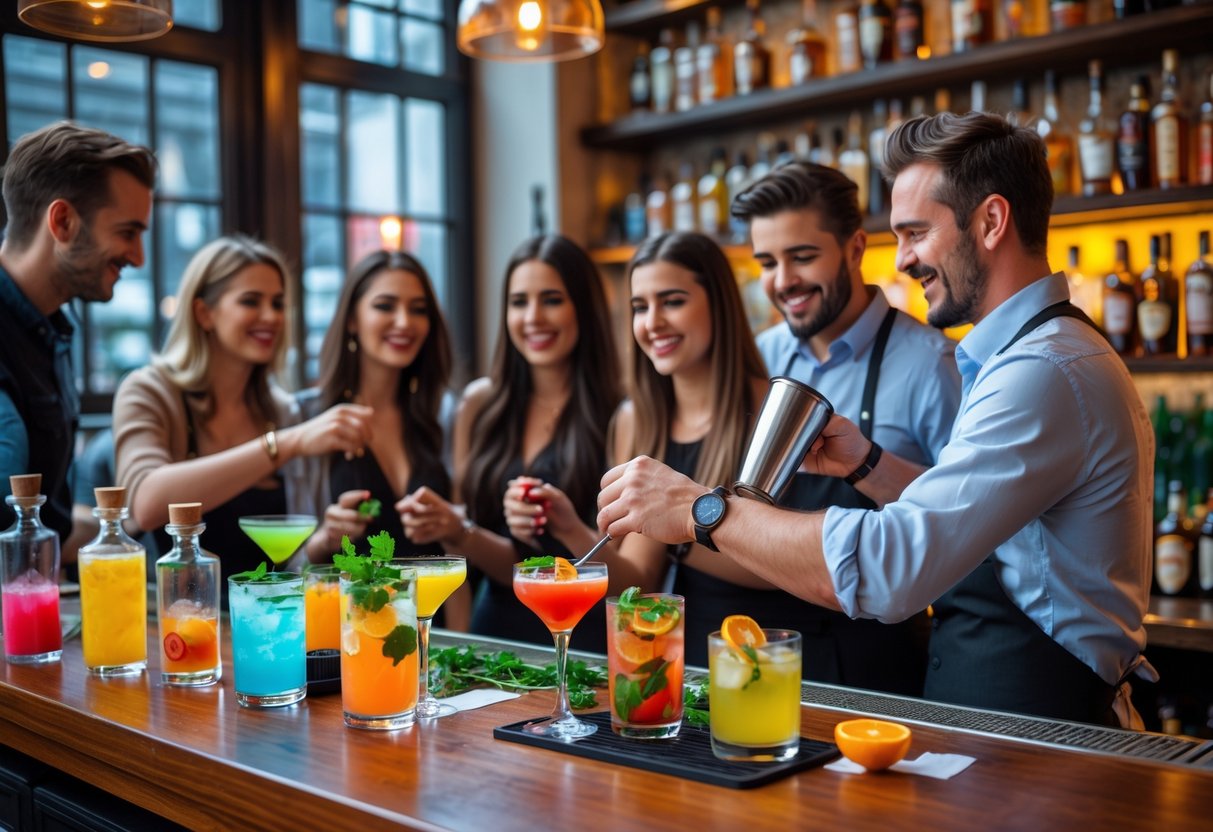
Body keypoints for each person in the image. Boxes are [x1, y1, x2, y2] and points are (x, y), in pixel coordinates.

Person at [598, 111, 1156, 728]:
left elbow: (891, 568)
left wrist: (701, 510)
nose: (904, 261)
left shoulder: (1042, 371)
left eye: (916, 233)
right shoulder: (1025, 356)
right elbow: (975, 522)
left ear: (992, 221)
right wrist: (867, 463)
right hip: (995, 709)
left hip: (1041, 721)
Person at [728, 162, 962, 695]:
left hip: (877, 665)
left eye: (802, 256)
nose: (782, 281)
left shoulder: (933, 365)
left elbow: (966, 526)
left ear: (855, 249)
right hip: (764, 653)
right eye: (767, 261)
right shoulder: (759, 360)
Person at [113, 235, 374, 594]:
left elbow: (294, 566)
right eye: (251, 301)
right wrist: (285, 444)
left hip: (268, 624)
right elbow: (145, 505)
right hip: (182, 625)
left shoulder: (281, 410)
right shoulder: (151, 391)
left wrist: (326, 537)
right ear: (204, 313)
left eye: (278, 303)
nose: (271, 316)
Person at [399, 234, 622, 651]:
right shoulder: (479, 405)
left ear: (584, 309)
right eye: (519, 301)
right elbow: (504, 565)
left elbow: (629, 575)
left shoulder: (620, 413)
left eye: (552, 299)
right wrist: (456, 529)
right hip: (494, 637)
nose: (533, 317)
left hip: (583, 639)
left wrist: (568, 525)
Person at [605, 231, 771, 666]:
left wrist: (678, 527)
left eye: (672, 301)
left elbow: (781, 565)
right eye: (640, 307)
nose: (652, 322)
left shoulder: (769, 410)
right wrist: (565, 527)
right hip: (674, 661)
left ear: (718, 304)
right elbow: (636, 579)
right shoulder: (634, 419)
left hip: (759, 654)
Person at [0, 121, 155, 543]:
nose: (138, 258)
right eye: (128, 232)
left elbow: (48, 524)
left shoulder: (52, 333)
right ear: (63, 221)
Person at [298, 249, 469, 628]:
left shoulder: (442, 414)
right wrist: (325, 538)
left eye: (418, 309)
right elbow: (289, 564)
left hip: (434, 640)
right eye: (385, 306)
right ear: (353, 321)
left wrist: (460, 652)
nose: (405, 322)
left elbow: (455, 559)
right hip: (352, 635)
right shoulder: (308, 418)